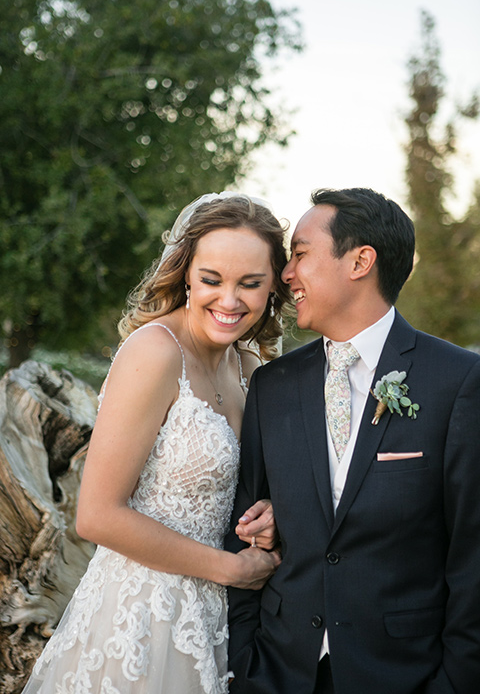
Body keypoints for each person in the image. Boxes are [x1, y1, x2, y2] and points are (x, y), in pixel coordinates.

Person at [22, 191, 292, 694]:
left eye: (250, 284)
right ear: (185, 272)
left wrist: (273, 510)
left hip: (220, 622)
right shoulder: (154, 353)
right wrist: (231, 569)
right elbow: (97, 514)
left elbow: (250, 484)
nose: (229, 301)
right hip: (141, 618)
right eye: (212, 280)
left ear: (274, 284)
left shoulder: (252, 370)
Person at [226, 187, 480, 694]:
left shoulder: (457, 381)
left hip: (402, 674)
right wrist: (244, 660)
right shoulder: (273, 386)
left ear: (361, 260)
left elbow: (472, 558)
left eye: (299, 254)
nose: (286, 274)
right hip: (277, 672)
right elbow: (245, 525)